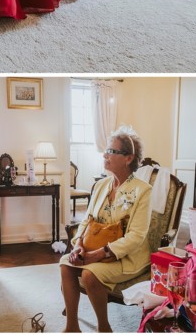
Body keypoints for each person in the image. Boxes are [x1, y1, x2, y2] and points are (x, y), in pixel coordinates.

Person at [59, 127, 152, 333]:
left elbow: (136, 236)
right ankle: (71, 326)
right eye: (107, 150)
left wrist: (97, 255)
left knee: (90, 275)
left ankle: (104, 328)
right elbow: (87, 221)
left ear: (128, 158)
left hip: (127, 257)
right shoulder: (101, 185)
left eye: (112, 151)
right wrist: (78, 247)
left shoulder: (142, 190)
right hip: (93, 249)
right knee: (66, 264)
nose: (105, 154)